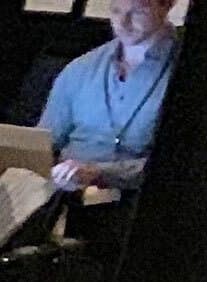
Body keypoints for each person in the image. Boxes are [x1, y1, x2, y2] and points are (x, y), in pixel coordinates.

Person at [42, 0, 176, 198]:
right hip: (64, 196)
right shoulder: (80, 68)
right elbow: (44, 141)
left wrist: (100, 174)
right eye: (116, 11)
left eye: (138, 12)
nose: (123, 23)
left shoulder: (187, 72)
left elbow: (177, 164)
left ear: (166, 6)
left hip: (139, 203)